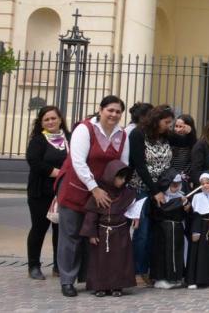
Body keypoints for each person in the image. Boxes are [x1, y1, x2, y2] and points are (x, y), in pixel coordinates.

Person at [55, 95, 127, 297]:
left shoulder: (122, 135)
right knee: (71, 235)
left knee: (95, 236)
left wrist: (116, 189)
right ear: (101, 109)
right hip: (76, 187)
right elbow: (78, 161)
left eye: (118, 111)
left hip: (104, 192)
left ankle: (91, 277)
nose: (113, 114)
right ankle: (67, 280)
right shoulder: (84, 129)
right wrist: (94, 188)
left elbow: (123, 165)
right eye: (110, 110)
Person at [128, 104, 196, 282]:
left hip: (162, 188)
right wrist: (154, 190)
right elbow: (140, 165)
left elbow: (186, 142)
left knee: (156, 231)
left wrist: (190, 132)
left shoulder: (165, 135)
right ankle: (137, 271)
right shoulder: (138, 134)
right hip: (143, 188)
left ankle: (152, 270)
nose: (169, 126)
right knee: (142, 231)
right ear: (156, 120)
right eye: (166, 122)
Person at [79, 160, 136, 297]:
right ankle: (100, 287)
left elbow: (131, 211)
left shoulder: (126, 194)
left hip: (121, 233)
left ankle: (117, 286)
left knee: (119, 261)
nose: (122, 181)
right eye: (119, 178)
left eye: (124, 178)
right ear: (111, 176)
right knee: (101, 261)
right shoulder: (100, 194)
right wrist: (92, 234)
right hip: (103, 233)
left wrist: (134, 218)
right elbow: (91, 215)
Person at [25, 105, 69, 280]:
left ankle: (59, 266)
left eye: (53, 118)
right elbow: (34, 162)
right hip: (41, 192)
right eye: (46, 119)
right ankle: (34, 266)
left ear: (60, 119)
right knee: (39, 228)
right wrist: (59, 173)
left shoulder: (70, 137)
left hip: (64, 190)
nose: (51, 122)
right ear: (41, 122)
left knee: (61, 229)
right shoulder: (38, 140)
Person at [148, 169, 188, 289]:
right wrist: (178, 202)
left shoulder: (181, 196)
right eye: (173, 185)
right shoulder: (160, 197)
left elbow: (184, 214)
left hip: (178, 229)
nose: (176, 188)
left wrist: (187, 208)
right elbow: (163, 209)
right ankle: (161, 278)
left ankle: (176, 277)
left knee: (177, 253)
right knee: (163, 254)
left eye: (178, 185)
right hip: (163, 231)